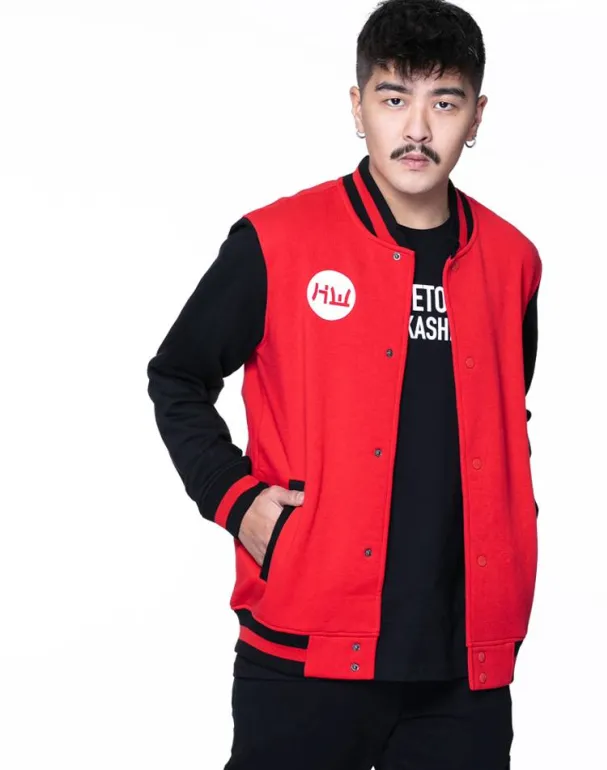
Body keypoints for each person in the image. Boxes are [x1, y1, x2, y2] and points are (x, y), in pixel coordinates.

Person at [146, 0, 542, 767]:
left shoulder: (512, 261)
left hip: (465, 665)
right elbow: (178, 376)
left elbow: (504, 415)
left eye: (445, 102)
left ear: (477, 116)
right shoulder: (277, 242)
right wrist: (236, 500)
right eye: (394, 98)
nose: (417, 128)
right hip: (305, 650)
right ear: (357, 108)